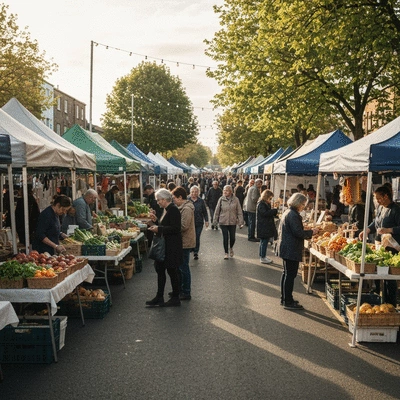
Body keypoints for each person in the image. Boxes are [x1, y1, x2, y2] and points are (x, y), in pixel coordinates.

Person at [276, 193, 318, 310]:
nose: (303, 207)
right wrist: (311, 232)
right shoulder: (293, 215)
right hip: (291, 248)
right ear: (298, 203)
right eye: (303, 204)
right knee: (290, 275)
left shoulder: (288, 212)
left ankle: (285, 298)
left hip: (286, 247)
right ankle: (288, 301)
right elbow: (298, 232)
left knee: (286, 274)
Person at [359, 185, 400, 306]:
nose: (377, 201)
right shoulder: (381, 208)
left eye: (379, 198)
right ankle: (382, 300)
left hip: (393, 249)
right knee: (381, 276)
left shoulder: (396, 210)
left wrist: (389, 230)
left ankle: (391, 304)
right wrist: (367, 230)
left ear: (386, 196)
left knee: (390, 279)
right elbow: (375, 222)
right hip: (381, 247)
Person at [146, 189, 182, 307]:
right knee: (160, 269)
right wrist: (156, 222)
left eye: (158, 200)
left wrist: (159, 229)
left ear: (164, 199)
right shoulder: (166, 209)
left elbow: (176, 228)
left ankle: (176, 297)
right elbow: (165, 225)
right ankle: (159, 296)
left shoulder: (173, 210)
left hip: (171, 246)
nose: (157, 202)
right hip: (165, 246)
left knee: (172, 271)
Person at [172, 186, 196, 300]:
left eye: (174, 198)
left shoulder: (186, 209)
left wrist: (172, 228)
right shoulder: (182, 207)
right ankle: (180, 290)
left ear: (180, 197)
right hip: (182, 241)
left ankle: (186, 291)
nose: (173, 200)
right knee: (180, 267)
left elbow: (184, 226)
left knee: (183, 267)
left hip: (185, 242)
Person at [213, 185, 244, 259]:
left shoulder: (236, 199)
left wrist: (240, 222)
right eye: (224, 190)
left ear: (231, 191)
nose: (225, 192)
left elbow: (239, 211)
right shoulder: (221, 199)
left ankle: (231, 248)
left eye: (226, 190)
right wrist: (215, 221)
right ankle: (226, 252)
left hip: (232, 221)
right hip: (223, 221)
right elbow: (217, 211)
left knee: (233, 238)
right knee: (225, 237)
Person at [256, 190, 278, 264]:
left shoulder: (264, 203)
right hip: (263, 225)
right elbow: (265, 213)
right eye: (270, 198)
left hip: (264, 225)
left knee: (263, 241)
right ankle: (263, 257)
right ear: (266, 197)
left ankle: (262, 256)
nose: (271, 200)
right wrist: (274, 211)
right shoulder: (261, 204)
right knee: (264, 241)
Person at [188, 185, 209, 260]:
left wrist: (206, 220)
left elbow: (205, 212)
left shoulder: (201, 201)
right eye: (192, 192)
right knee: (190, 237)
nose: (194, 193)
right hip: (189, 223)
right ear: (190, 192)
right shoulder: (187, 200)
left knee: (197, 237)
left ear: (198, 193)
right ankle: (191, 248)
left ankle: (196, 252)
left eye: (195, 192)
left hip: (199, 222)